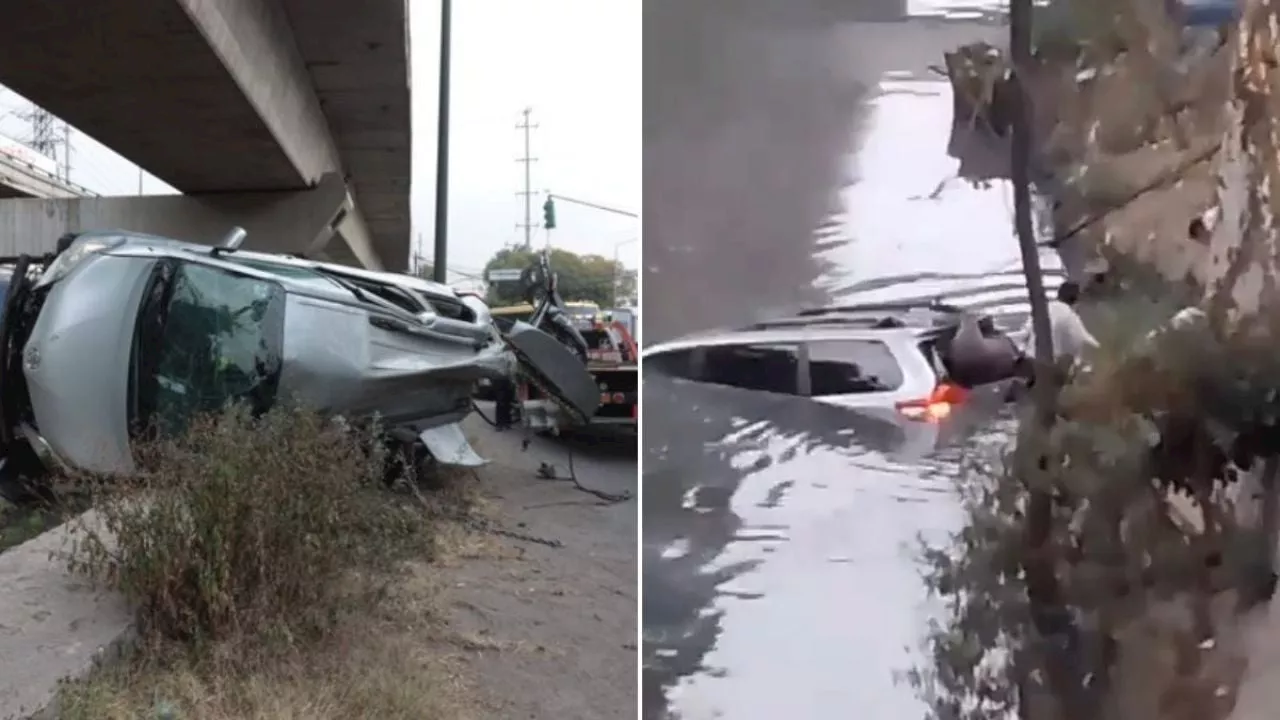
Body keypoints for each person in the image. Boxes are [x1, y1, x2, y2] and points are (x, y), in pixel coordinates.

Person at [1019, 280, 1098, 370]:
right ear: (1077, 300)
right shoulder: (1069, 315)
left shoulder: (1044, 308)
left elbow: (1024, 334)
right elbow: (1083, 340)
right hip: (1052, 367)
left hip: (1031, 362)